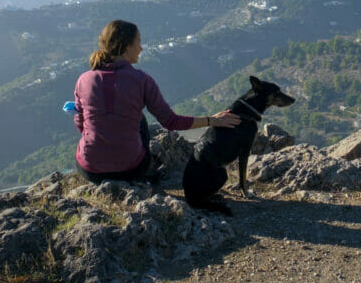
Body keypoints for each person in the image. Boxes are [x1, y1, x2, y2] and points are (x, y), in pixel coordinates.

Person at [72, 19, 240, 183]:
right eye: (138, 42)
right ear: (126, 47)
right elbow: (171, 122)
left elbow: (81, 122)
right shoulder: (141, 80)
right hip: (131, 169)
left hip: (90, 170)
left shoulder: (83, 80)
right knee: (141, 120)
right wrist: (213, 120)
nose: (141, 48)